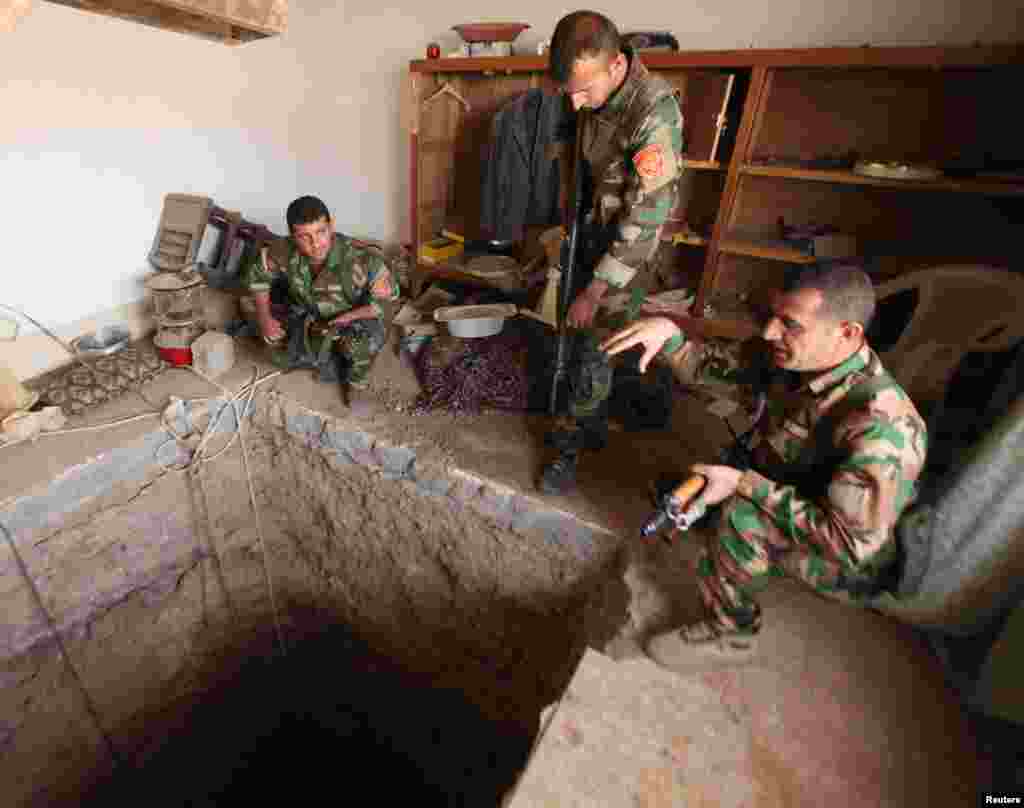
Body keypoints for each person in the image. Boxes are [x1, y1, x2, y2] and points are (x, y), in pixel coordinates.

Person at [601, 263, 928, 671]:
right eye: (773, 317)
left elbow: (847, 544)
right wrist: (669, 337)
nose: (771, 332)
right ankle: (728, 516)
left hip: (851, 552)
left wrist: (742, 485)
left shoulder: (882, 427)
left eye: (790, 324)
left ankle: (733, 632)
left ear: (846, 333)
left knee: (741, 518)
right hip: (802, 488)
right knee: (691, 485)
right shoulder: (793, 354)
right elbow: (714, 367)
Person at [539, 10, 685, 495]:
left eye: (585, 90)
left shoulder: (653, 112)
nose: (576, 103)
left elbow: (645, 223)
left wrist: (596, 289)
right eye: (569, 91)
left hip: (627, 250)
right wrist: (564, 229)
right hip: (589, 230)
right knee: (569, 330)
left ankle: (567, 447)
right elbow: (570, 160)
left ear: (617, 65)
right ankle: (590, 421)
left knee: (593, 349)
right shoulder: (579, 88)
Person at [244, 195, 399, 389]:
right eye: (304, 237)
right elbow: (259, 277)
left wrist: (349, 316)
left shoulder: (363, 259)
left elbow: (387, 302)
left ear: (331, 225)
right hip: (312, 316)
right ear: (293, 236)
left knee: (357, 347)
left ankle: (357, 383)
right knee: (273, 349)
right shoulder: (284, 250)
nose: (316, 243)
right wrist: (265, 318)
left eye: (321, 232)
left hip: (355, 318)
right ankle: (323, 356)